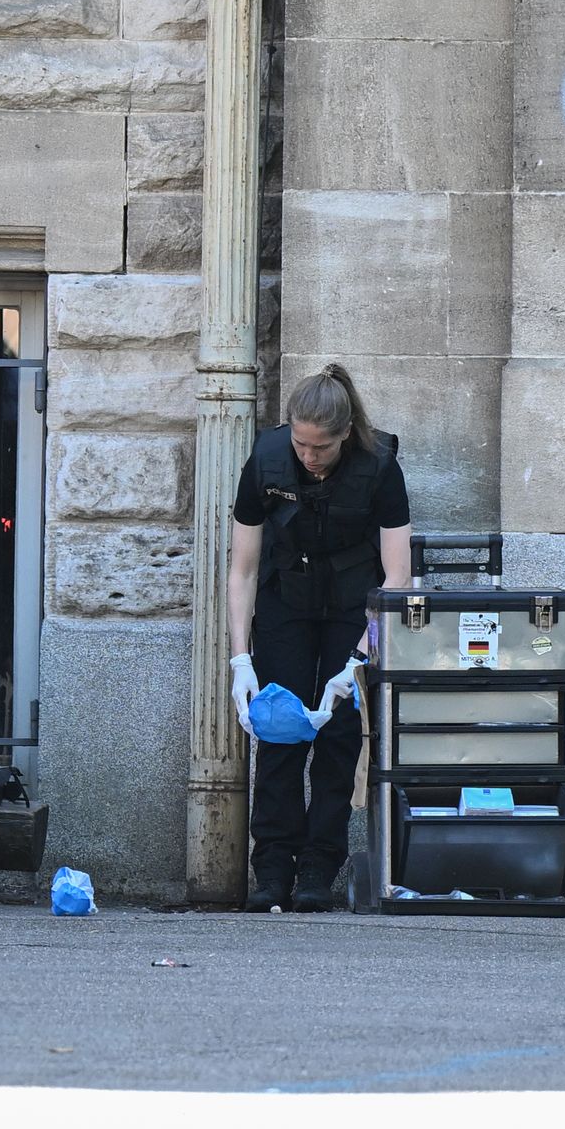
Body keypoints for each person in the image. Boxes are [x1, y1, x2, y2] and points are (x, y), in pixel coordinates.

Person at [228, 364, 416, 911]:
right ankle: (272, 867)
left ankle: (318, 867)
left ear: (345, 434)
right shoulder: (265, 459)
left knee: (337, 738)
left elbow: (398, 577)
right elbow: (241, 568)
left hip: (354, 609)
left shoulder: (379, 466)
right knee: (279, 726)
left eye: (323, 447)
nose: (310, 456)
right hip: (285, 601)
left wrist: (358, 660)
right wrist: (241, 658)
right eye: (302, 444)